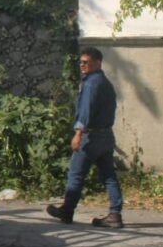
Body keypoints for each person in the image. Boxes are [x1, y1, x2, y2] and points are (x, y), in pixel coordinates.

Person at [46, 47, 124, 228]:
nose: (82, 65)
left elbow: (86, 112)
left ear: (98, 63)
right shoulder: (105, 82)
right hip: (106, 136)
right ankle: (115, 214)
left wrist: (78, 134)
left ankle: (67, 210)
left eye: (86, 62)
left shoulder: (91, 84)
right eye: (80, 62)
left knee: (76, 175)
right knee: (109, 176)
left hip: (91, 137)